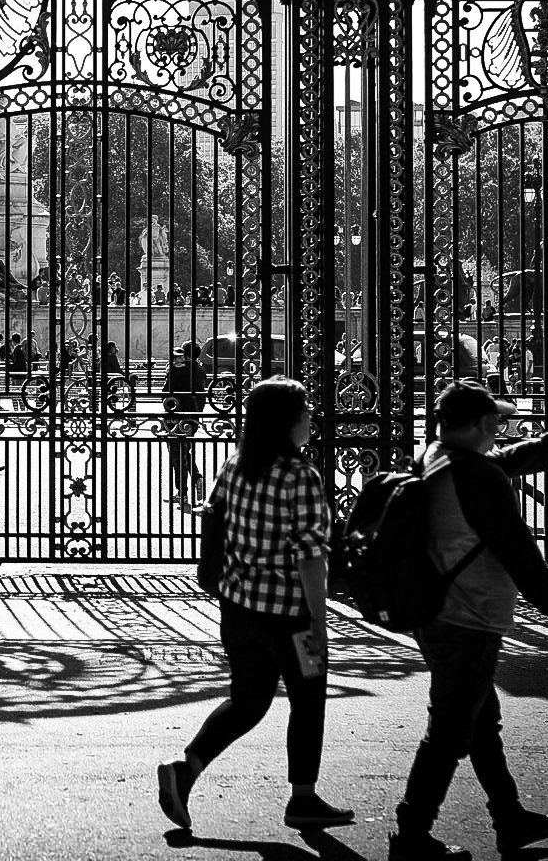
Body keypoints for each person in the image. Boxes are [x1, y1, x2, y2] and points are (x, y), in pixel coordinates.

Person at [388, 379, 548, 860]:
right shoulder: (475, 475)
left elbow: (506, 460)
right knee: (450, 729)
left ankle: (509, 818)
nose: (500, 426)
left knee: (478, 720)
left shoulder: (437, 457)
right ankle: (411, 837)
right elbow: (518, 550)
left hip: (436, 611)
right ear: (477, 423)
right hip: (469, 616)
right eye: (494, 419)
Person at [157, 377, 353, 834]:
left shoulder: (235, 465)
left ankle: (186, 769)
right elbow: (310, 555)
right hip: (292, 616)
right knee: (309, 699)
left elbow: (216, 522)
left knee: (247, 701)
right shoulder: (300, 475)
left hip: (239, 607)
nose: (310, 418)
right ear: (287, 420)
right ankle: (302, 798)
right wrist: (320, 620)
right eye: (305, 411)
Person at [161, 340, 208, 509]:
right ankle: (196, 478)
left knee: (177, 455)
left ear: (185, 355)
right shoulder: (200, 370)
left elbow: (166, 393)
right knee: (184, 451)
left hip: (175, 416)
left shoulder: (177, 370)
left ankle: (182, 492)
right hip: (193, 416)